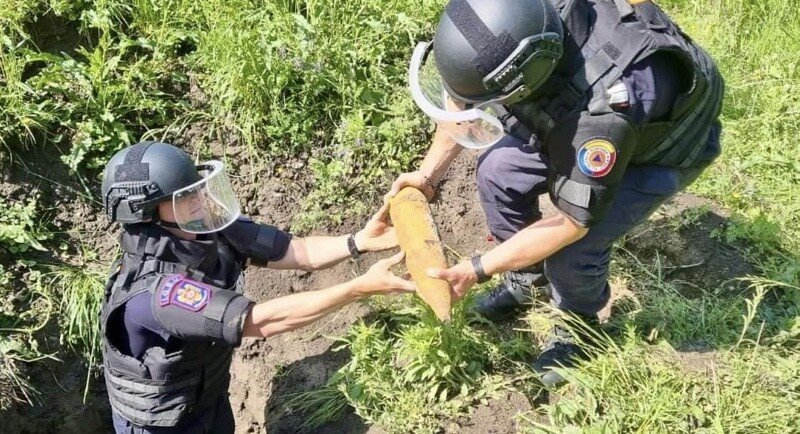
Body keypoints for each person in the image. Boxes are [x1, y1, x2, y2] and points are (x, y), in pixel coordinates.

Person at [386, 0, 723, 386]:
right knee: (497, 170)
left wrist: (479, 268)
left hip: (661, 146)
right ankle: (528, 279)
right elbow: (461, 106)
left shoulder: (603, 114)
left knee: (575, 249)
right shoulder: (518, 26)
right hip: (579, 109)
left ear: (519, 85)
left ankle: (580, 327)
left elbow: (571, 224)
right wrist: (426, 177)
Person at [100, 141, 415, 433]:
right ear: (148, 215)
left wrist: (358, 241)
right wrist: (359, 288)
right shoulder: (156, 294)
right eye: (183, 197)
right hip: (160, 426)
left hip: (208, 396)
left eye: (195, 189)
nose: (197, 201)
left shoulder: (209, 232)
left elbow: (298, 251)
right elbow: (261, 321)